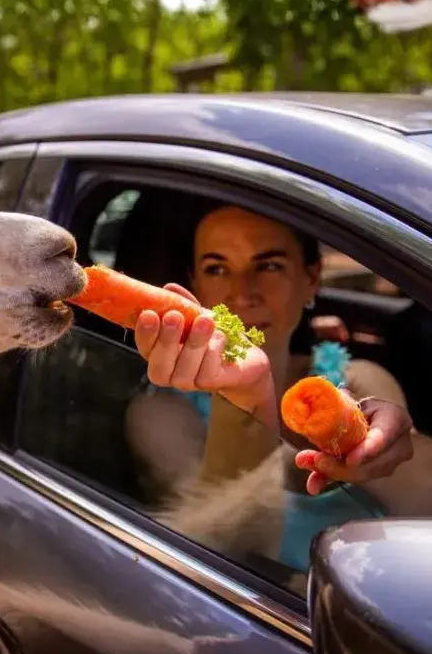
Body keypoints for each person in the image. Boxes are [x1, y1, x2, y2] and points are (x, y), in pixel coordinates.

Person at [125, 204, 422, 573]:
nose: (242, 293)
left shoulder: (360, 379)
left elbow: (420, 501)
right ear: (195, 286)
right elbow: (206, 553)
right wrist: (247, 400)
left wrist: (382, 449)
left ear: (311, 278)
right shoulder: (160, 415)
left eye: (268, 266)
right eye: (217, 269)